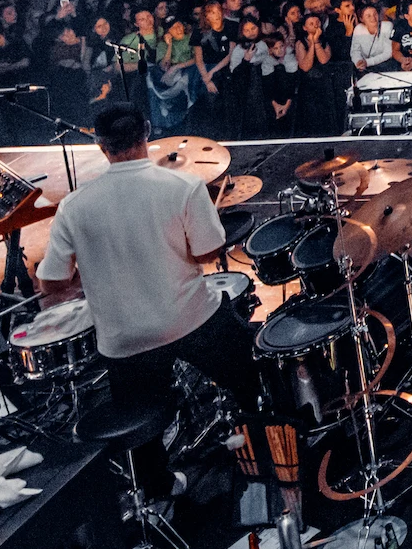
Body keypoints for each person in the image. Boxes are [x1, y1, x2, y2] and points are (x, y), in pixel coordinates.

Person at [35, 103, 263, 501]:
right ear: (147, 133)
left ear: (100, 146)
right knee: (249, 369)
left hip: (124, 340)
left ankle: (158, 487)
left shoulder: (74, 206)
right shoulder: (184, 187)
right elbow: (210, 252)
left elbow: (51, 282)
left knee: (137, 410)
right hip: (189, 318)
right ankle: (261, 444)